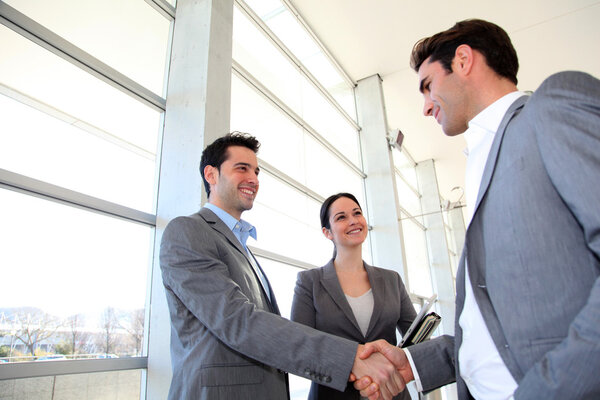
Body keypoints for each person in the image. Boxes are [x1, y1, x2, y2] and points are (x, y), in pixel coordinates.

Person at [356, 18, 600, 400]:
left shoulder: (550, 108)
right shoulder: (479, 159)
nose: (424, 107)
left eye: (427, 85)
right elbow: (493, 329)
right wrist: (414, 364)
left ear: (464, 60)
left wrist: (552, 389)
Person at [160, 132, 405, 400]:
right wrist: (349, 358)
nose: (253, 179)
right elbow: (237, 321)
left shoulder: (239, 246)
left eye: (256, 171)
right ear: (211, 175)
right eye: (242, 168)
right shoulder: (188, 231)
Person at [291, 193, 417, 400]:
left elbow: (414, 338)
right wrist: (351, 363)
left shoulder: (391, 280)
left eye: (357, 213)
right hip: (334, 395)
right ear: (327, 232)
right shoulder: (309, 282)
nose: (353, 221)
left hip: (390, 394)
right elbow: (299, 345)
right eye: (341, 217)